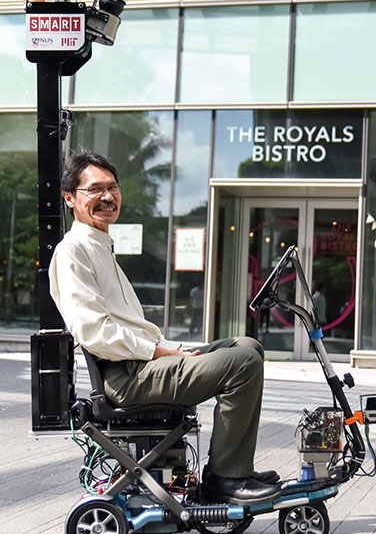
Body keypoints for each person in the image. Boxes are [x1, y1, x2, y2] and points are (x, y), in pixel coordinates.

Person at [49, 151, 280, 504]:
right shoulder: (73, 251)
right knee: (243, 365)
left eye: (112, 187)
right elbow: (95, 333)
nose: (108, 197)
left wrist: (174, 349)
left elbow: (129, 328)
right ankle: (225, 479)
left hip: (141, 364)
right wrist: (163, 353)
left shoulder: (101, 245)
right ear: (70, 198)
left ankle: (236, 469)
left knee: (248, 346)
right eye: (94, 190)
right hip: (126, 378)